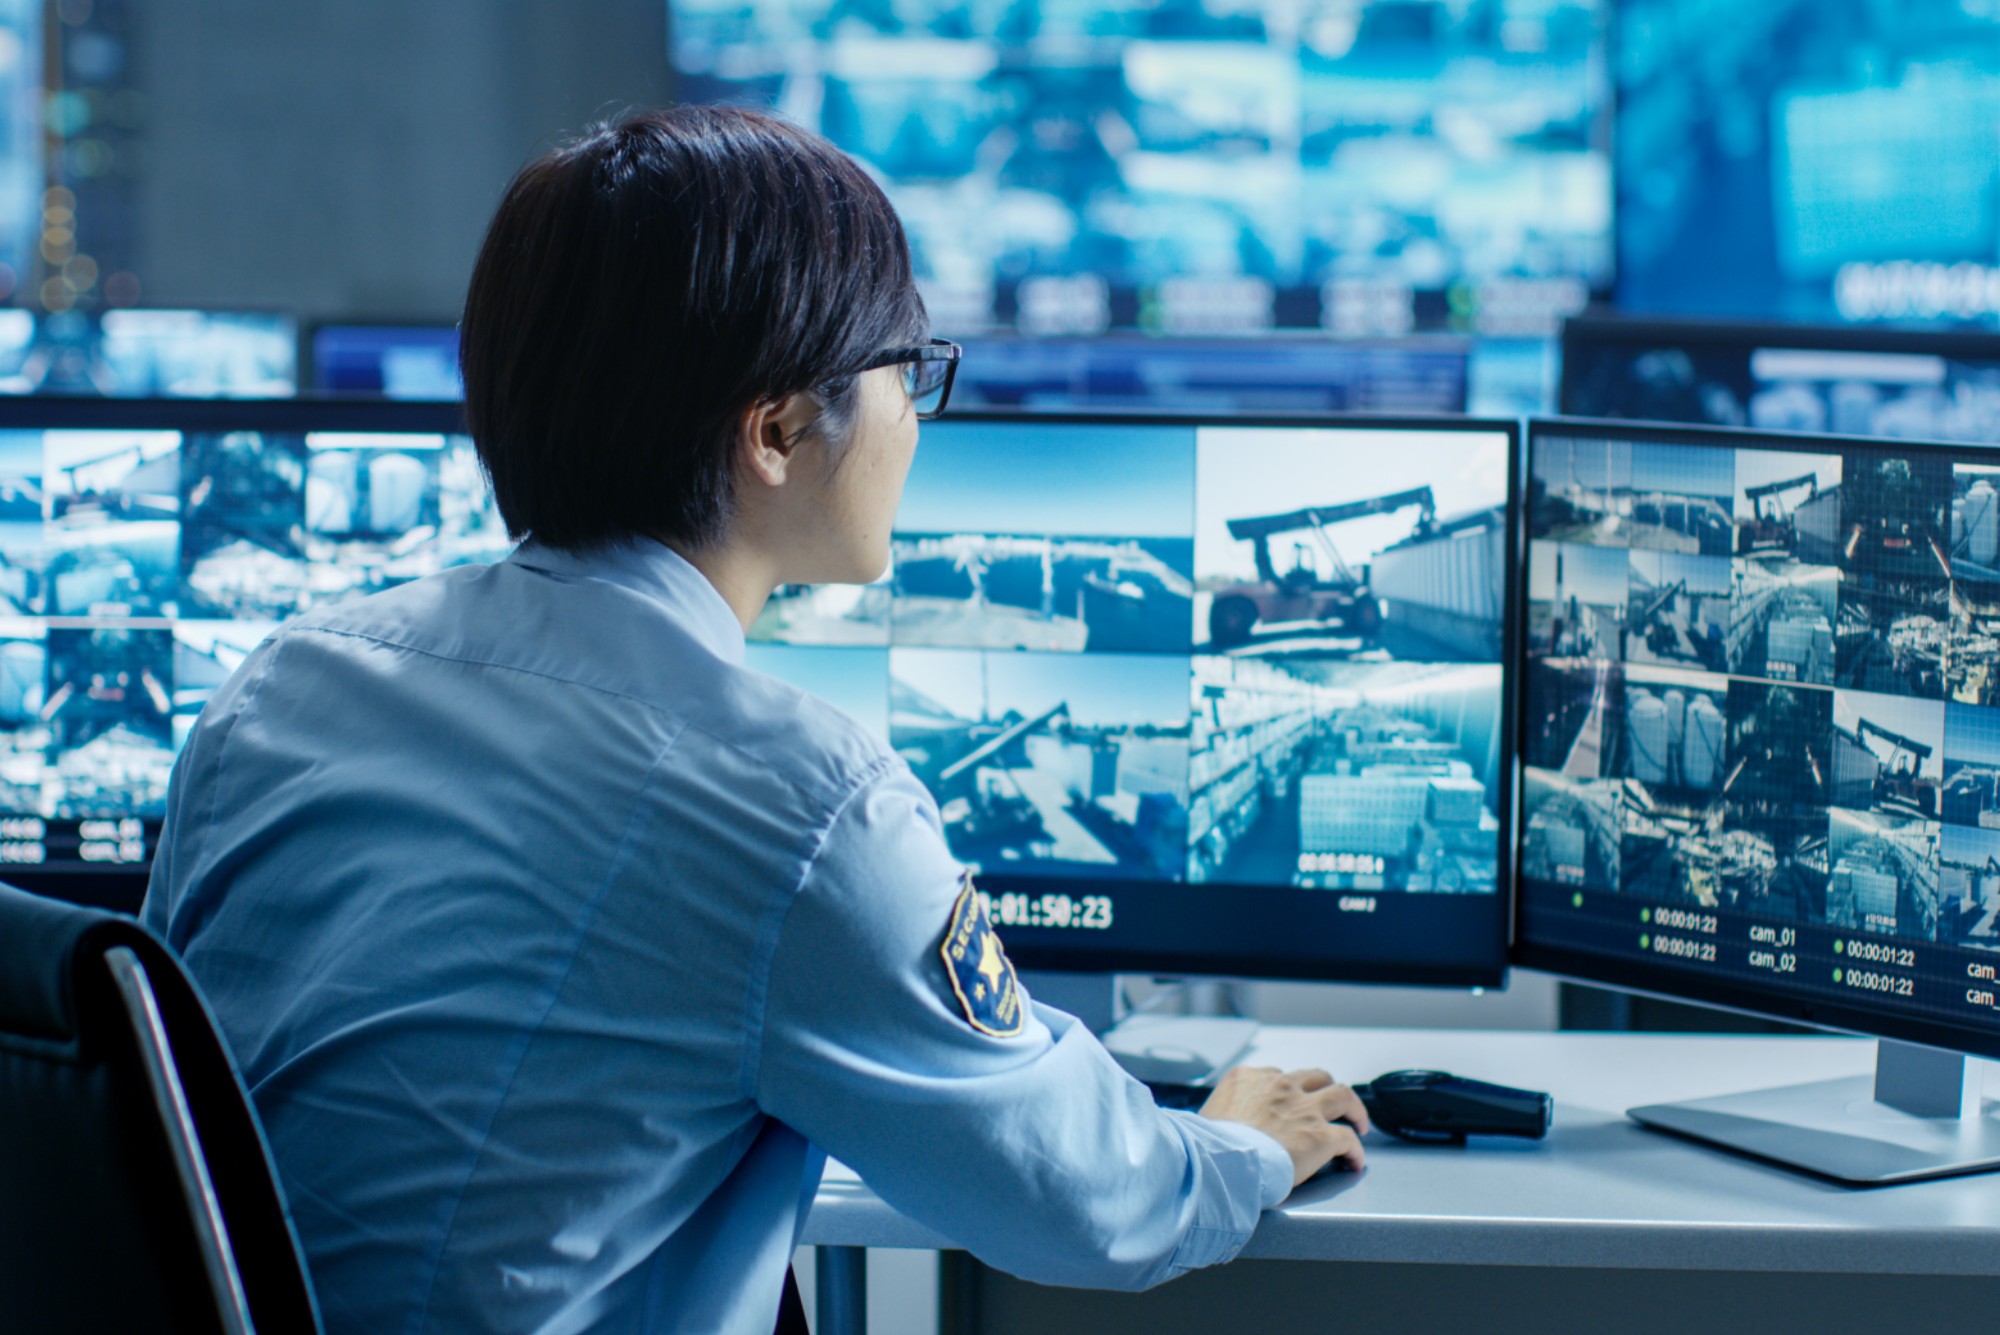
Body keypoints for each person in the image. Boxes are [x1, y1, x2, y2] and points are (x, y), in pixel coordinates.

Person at [140, 105, 1368, 1335]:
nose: (913, 419)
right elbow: (1085, 1203)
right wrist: (1237, 1148)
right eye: (908, 371)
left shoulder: (282, 685)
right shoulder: (795, 797)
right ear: (777, 431)